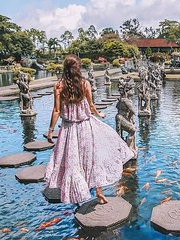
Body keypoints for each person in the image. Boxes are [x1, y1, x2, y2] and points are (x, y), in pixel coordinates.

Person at [45, 54, 134, 204]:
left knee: (73, 161)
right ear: (78, 68)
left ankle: (76, 193)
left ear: (64, 69)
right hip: (85, 127)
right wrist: (100, 114)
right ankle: (98, 193)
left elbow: (56, 110)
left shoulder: (59, 86)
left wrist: (50, 130)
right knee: (93, 159)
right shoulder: (84, 83)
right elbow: (91, 106)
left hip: (68, 130)